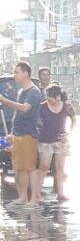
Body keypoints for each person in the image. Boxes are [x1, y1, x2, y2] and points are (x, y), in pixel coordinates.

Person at [0, 62, 43, 207]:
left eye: (16, 72)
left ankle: (34, 200)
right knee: (19, 168)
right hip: (18, 135)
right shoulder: (21, 92)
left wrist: (5, 101)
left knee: (30, 168)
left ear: (25, 73)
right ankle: (22, 197)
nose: (15, 75)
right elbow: (17, 114)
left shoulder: (33, 92)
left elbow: (24, 109)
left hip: (28, 134)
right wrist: (11, 135)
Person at [36, 84, 75, 202]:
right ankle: (37, 193)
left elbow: (74, 119)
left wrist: (68, 134)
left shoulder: (67, 107)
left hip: (61, 140)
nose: (48, 99)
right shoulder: (42, 107)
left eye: (50, 97)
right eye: (47, 97)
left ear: (58, 97)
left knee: (59, 167)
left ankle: (61, 193)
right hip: (45, 140)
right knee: (44, 166)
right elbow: (35, 122)